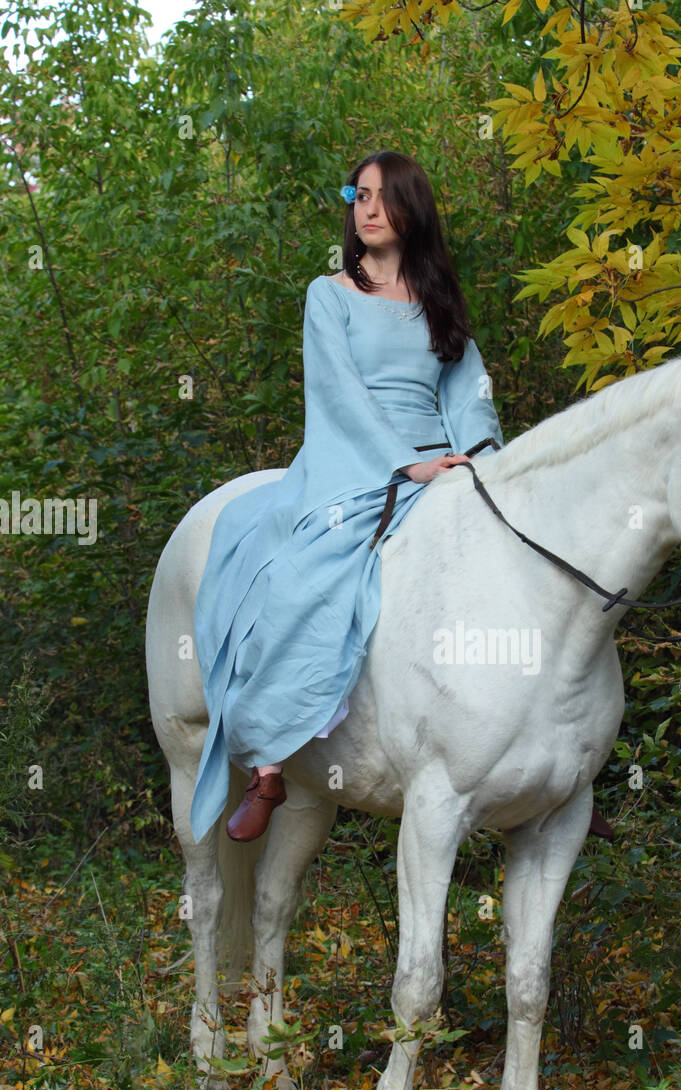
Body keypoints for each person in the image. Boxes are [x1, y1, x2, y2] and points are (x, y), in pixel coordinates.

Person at [189, 150, 503, 843]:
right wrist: (405, 467)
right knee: (304, 579)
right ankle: (267, 762)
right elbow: (339, 396)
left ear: (410, 209)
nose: (364, 208)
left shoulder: (437, 302)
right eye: (357, 195)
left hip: (446, 468)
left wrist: (479, 464)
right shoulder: (329, 295)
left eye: (380, 197)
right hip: (355, 465)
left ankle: (555, 768)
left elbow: (469, 397)